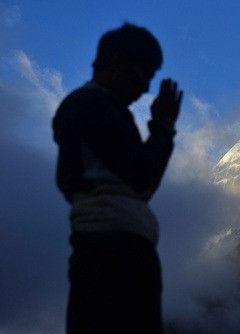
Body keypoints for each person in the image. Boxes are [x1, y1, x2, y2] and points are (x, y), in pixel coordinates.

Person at [52, 23, 182, 333]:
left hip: (116, 250)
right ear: (116, 64)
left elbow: (139, 185)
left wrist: (162, 128)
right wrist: (162, 127)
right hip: (112, 255)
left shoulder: (101, 108)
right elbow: (141, 177)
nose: (145, 87)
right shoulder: (92, 105)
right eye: (142, 73)